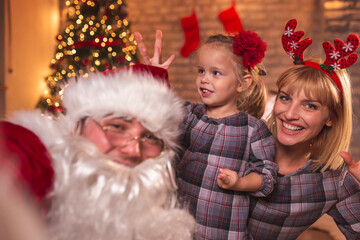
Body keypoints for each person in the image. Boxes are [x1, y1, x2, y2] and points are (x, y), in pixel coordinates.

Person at [0, 64, 195, 240]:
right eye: (117, 127)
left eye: (151, 137)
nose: (133, 150)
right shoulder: (34, 155)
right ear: (77, 126)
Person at [135, 30, 278, 239]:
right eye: (201, 71)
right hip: (178, 230)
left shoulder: (253, 130)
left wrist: (240, 183)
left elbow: (267, 177)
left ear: (242, 82)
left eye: (216, 73)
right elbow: (156, 115)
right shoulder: (189, 114)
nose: (204, 79)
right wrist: (155, 80)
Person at [245, 19, 360, 239]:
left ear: (331, 118)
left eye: (310, 105)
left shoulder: (333, 181)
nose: (289, 114)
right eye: (285, 98)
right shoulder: (242, 141)